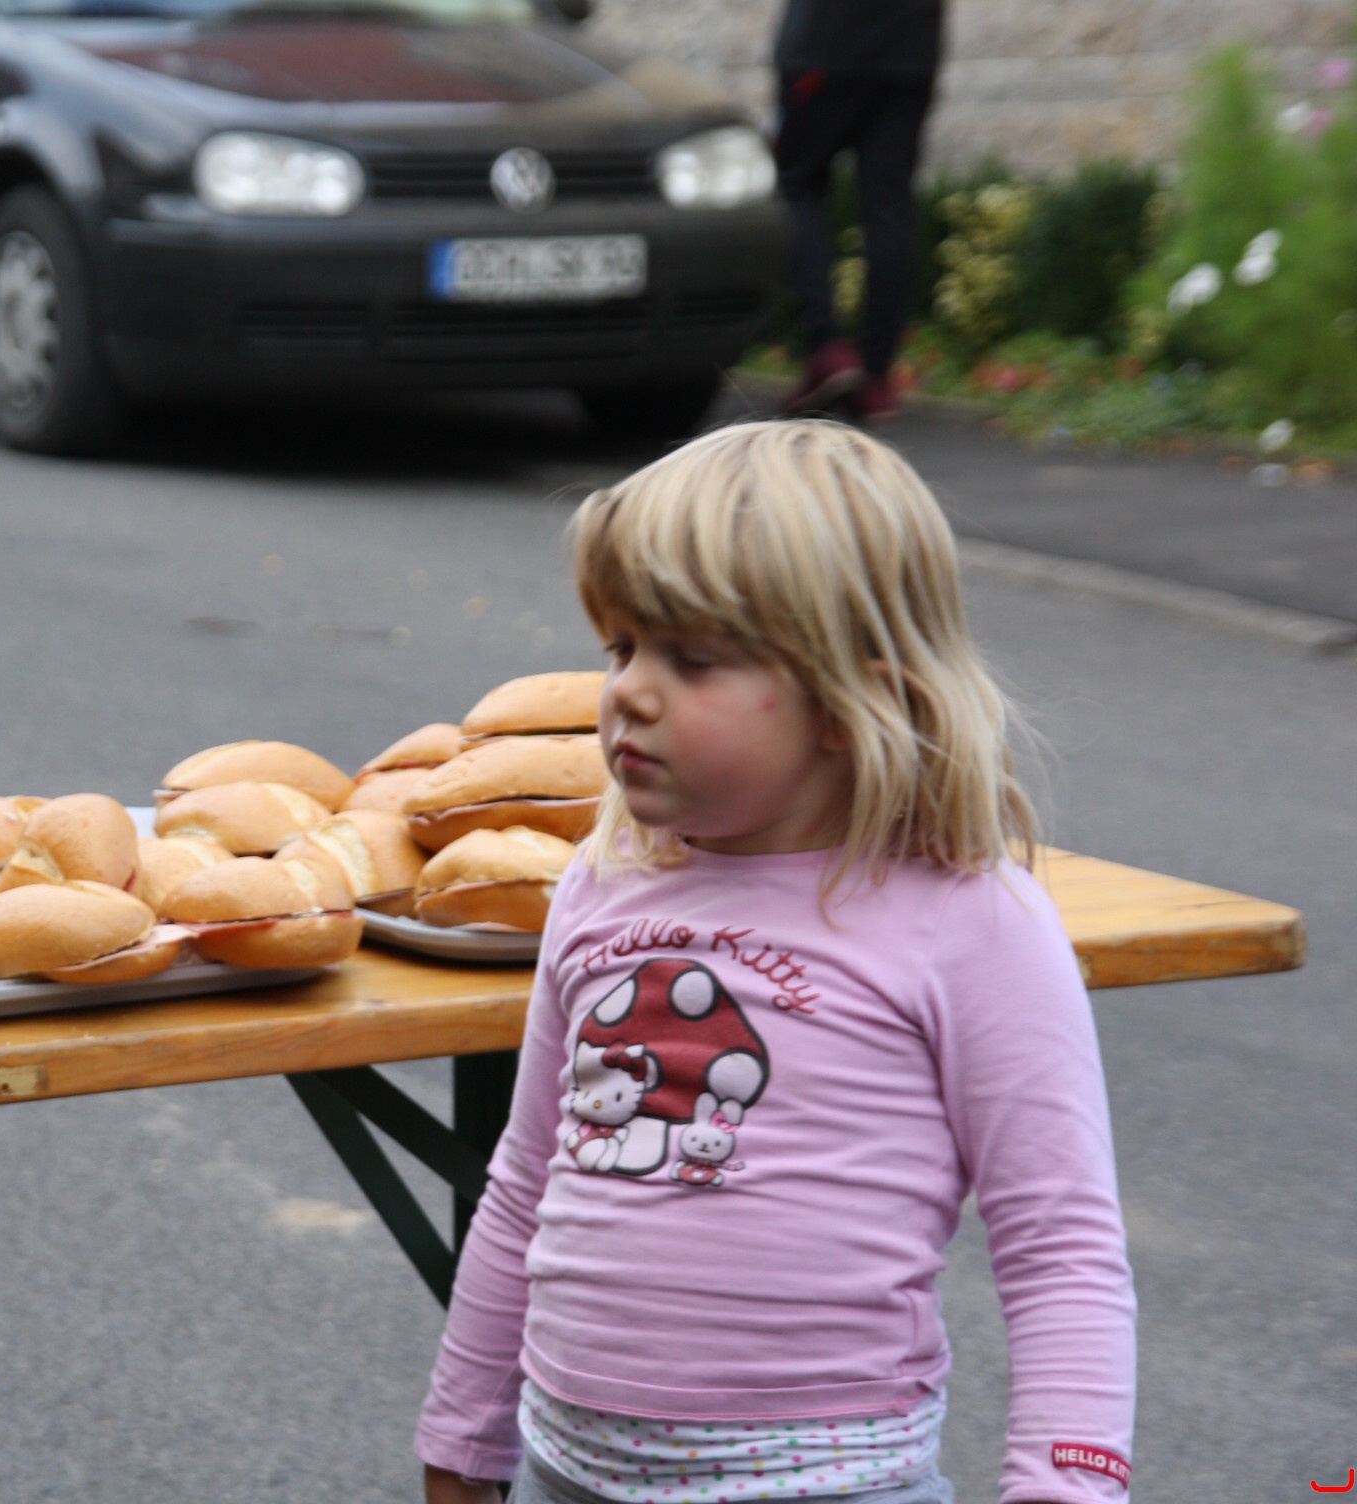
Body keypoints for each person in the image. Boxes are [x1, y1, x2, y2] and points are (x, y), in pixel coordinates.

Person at [417, 421, 1136, 1504]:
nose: (630, 691)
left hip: (826, 1479)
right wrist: (463, 1440)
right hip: (569, 1465)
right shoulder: (604, 881)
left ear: (854, 702)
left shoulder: (968, 917)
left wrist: (1068, 1485)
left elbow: (1061, 1247)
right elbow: (525, 1179)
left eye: (693, 659)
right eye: (622, 647)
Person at [772, 0, 945, 423]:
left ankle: (827, 348)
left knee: (800, 186)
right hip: (909, 53)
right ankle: (876, 377)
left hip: (825, 46)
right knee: (889, 208)